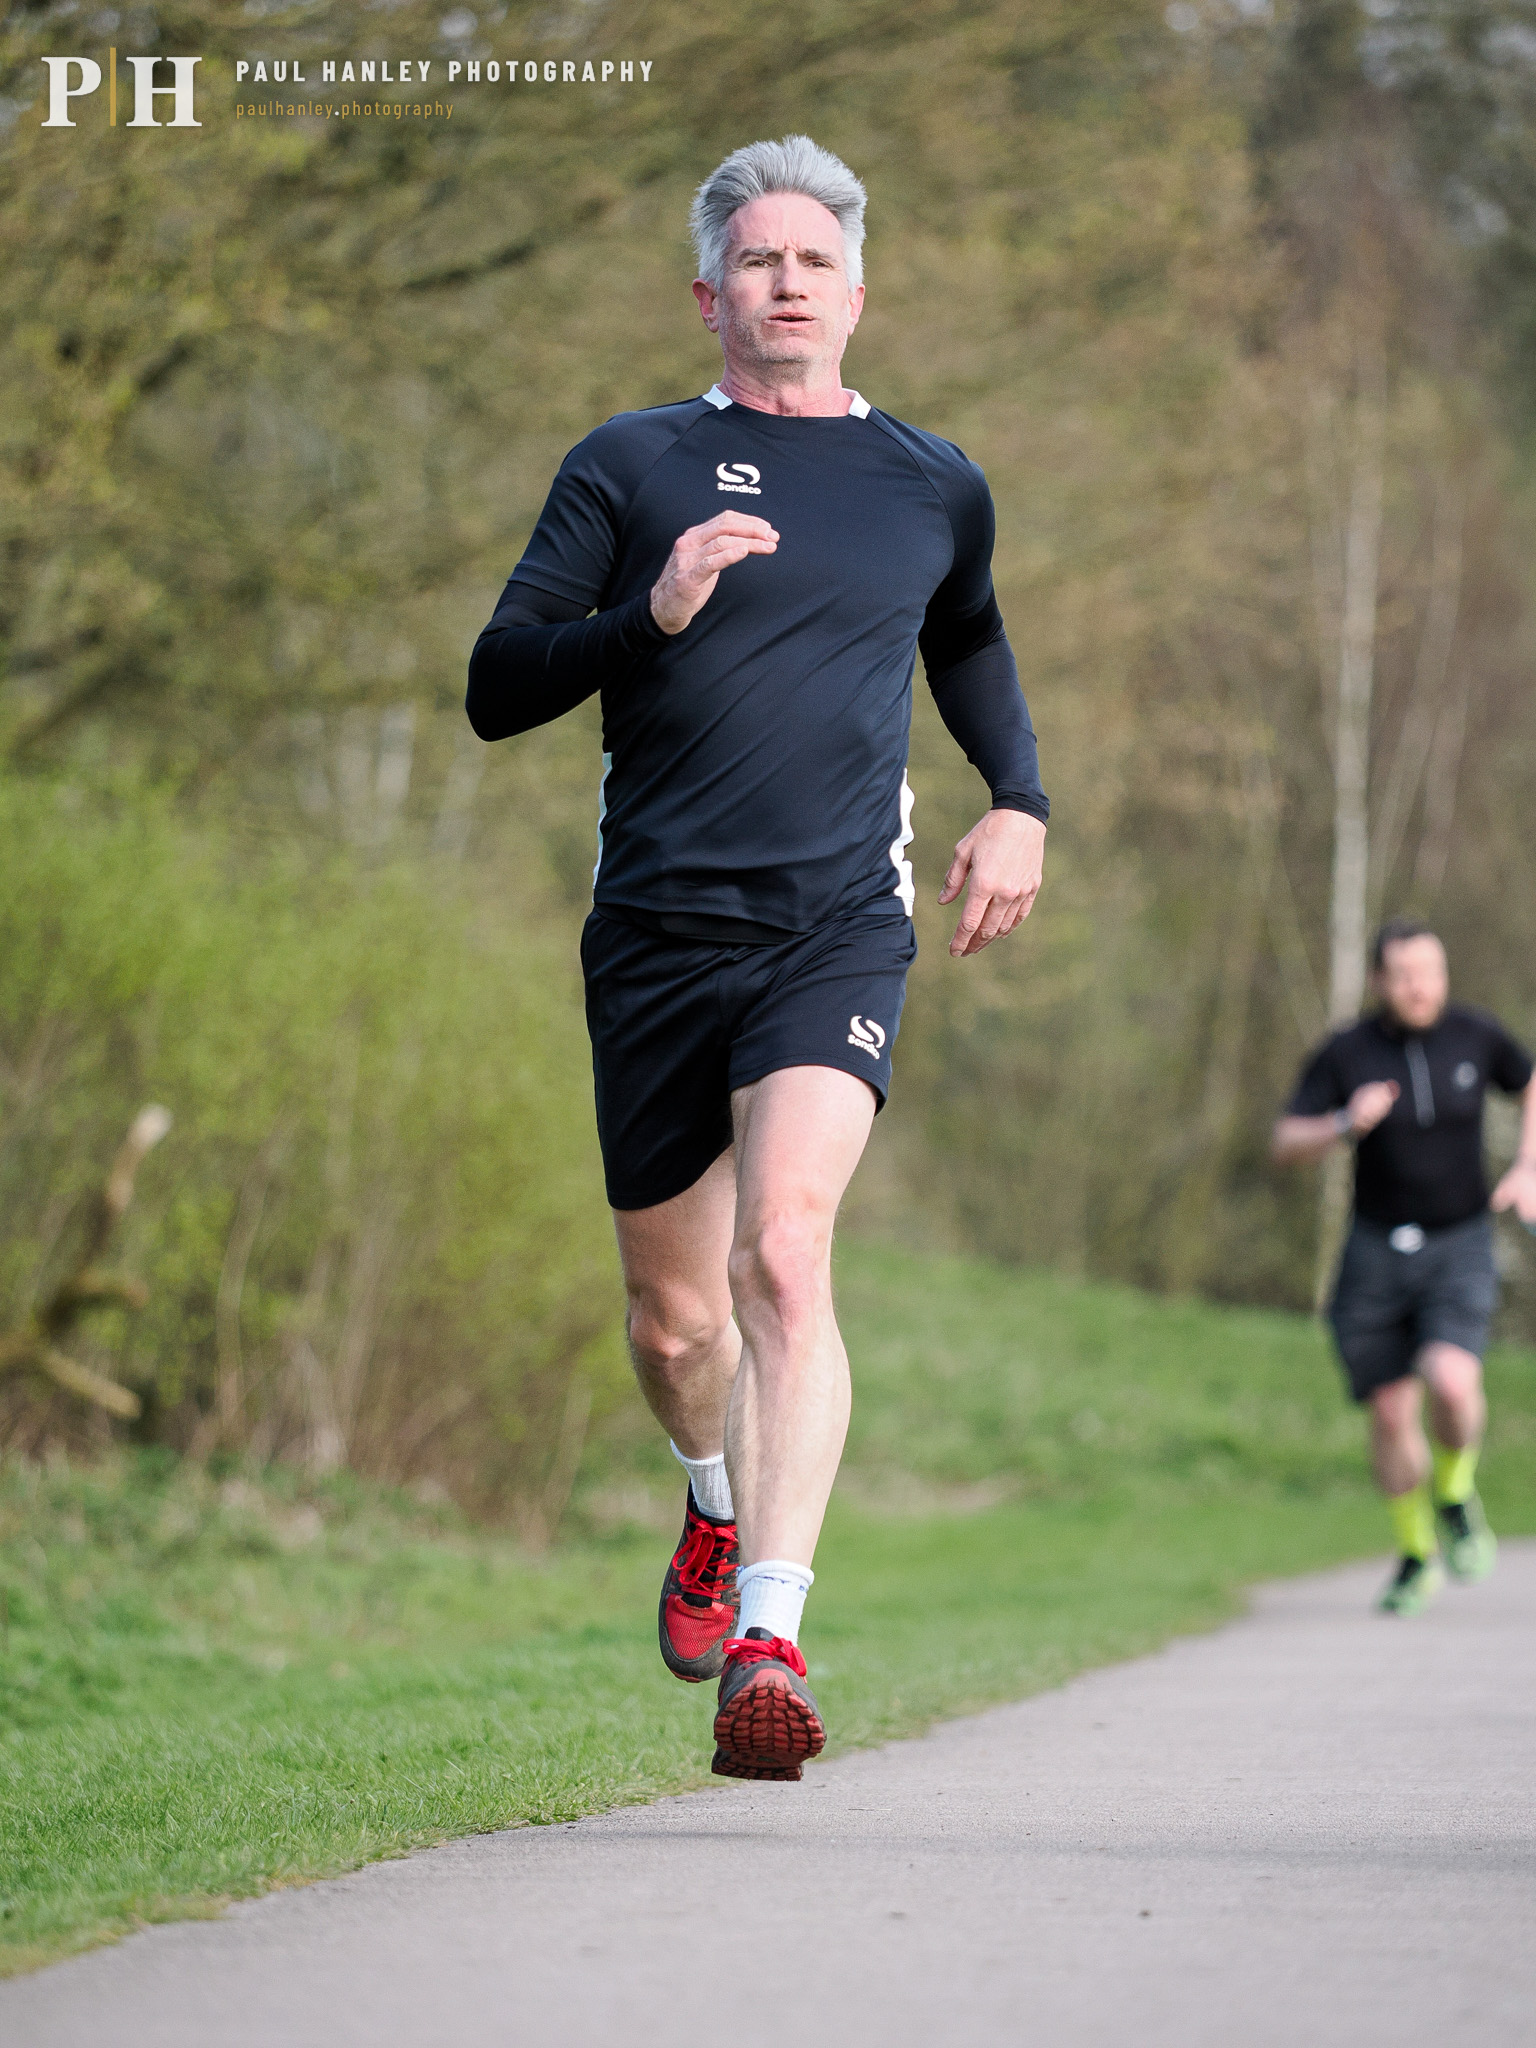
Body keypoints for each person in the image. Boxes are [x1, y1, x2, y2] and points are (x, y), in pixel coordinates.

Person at [466, 135, 1048, 1778]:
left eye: (815, 260)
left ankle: (775, 1635)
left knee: (786, 1250)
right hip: (654, 929)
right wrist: (644, 616)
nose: (786, 283)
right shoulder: (630, 464)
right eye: (758, 260)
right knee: (672, 1326)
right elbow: (497, 681)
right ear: (707, 289)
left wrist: (1021, 801)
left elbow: (974, 634)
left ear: (855, 290)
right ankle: (712, 1503)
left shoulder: (930, 480)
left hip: (833, 926)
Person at [1273, 918, 1536, 1615]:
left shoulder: (1477, 1036)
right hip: (1374, 1250)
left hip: (1461, 1241)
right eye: (1406, 975)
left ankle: (1454, 1493)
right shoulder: (1347, 1053)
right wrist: (1341, 1125)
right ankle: (1416, 1553)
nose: (1422, 987)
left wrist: (1530, 1164)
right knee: (1391, 1414)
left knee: (1452, 1380)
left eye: (1432, 971)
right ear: (1379, 981)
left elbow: (1531, 1079)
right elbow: (1285, 1140)